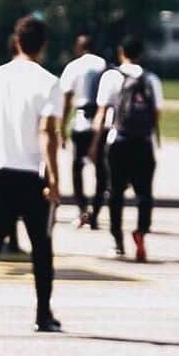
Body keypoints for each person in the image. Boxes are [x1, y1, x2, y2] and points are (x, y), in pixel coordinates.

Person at [0, 15, 62, 337]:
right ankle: (42, 313)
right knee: (41, 246)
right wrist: (54, 177)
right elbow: (47, 132)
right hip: (31, 174)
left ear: (16, 41)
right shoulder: (49, 82)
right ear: (43, 46)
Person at [92, 36, 163, 262]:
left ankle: (117, 242)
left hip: (118, 140)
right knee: (144, 194)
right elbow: (157, 113)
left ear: (121, 52)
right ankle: (141, 232)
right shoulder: (151, 79)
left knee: (115, 192)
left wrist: (95, 143)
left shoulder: (111, 76)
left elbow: (102, 112)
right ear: (141, 53)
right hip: (143, 141)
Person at [59, 34, 108, 228]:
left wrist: (61, 127)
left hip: (80, 121)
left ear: (78, 48)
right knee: (100, 171)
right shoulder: (103, 64)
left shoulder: (73, 66)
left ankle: (82, 210)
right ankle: (95, 211)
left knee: (77, 168)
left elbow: (66, 99)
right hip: (99, 121)